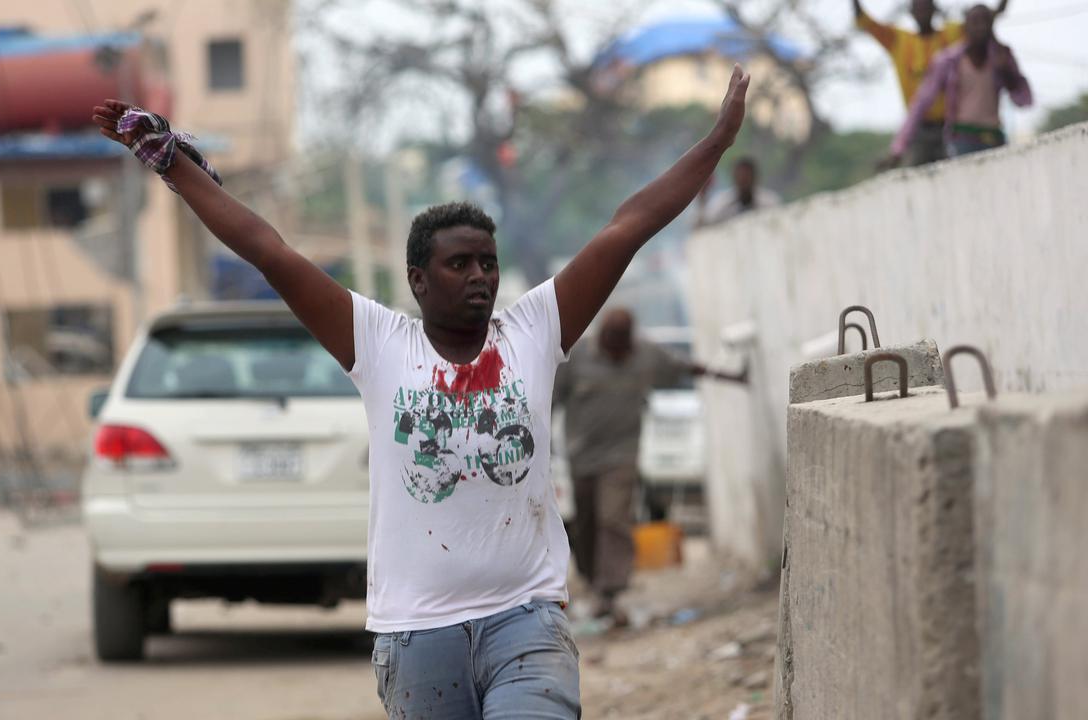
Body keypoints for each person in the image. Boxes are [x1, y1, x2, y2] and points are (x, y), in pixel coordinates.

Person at [93, 64, 750, 720]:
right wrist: (174, 165)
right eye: (458, 263)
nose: (479, 277)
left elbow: (626, 227)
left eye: (487, 263)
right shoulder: (380, 345)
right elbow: (271, 251)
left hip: (526, 621)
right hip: (416, 636)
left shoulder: (532, 331)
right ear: (418, 279)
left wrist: (716, 143)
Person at [553, 309, 746, 624]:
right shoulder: (579, 358)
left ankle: (611, 590)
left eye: (622, 346)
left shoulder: (645, 354)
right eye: (612, 346)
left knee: (613, 519)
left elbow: (682, 367)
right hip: (582, 456)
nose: (618, 353)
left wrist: (730, 376)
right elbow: (549, 399)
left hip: (622, 455)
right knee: (586, 523)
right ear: (602, 338)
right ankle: (591, 577)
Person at [855, 0, 1010, 166]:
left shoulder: (950, 35)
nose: (923, 12)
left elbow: (981, 22)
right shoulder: (899, 40)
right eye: (919, 8)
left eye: (926, 6)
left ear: (935, 9)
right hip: (919, 128)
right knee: (914, 171)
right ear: (911, 12)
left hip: (950, 126)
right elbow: (867, 23)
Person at [889, 4, 1032, 162]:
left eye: (985, 22)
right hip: (962, 139)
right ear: (965, 27)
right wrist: (899, 147)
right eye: (975, 22)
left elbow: (1024, 100)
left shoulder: (1001, 56)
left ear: (991, 26)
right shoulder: (949, 60)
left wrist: (1007, 72)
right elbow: (921, 102)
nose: (981, 28)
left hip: (993, 136)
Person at [694, 157, 779, 228]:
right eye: (740, 179)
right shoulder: (722, 203)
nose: (743, 182)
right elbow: (703, 225)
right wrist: (702, 197)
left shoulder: (769, 202)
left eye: (746, 178)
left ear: (754, 178)